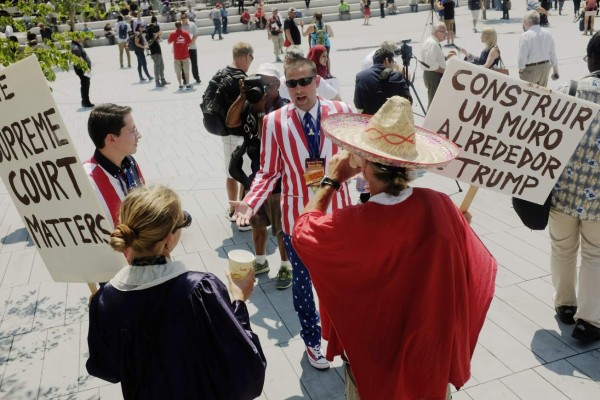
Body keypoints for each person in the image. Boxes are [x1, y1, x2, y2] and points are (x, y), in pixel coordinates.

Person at [292, 96, 497, 400]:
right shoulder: (441, 206)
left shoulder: (349, 224)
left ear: (362, 160)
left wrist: (332, 180)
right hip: (429, 361)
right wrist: (457, 230)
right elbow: (477, 268)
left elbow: (302, 231)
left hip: (372, 359)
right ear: (409, 164)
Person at [86, 186, 267, 399]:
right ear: (168, 241)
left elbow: (107, 369)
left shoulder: (106, 299)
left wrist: (99, 314)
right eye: (182, 222)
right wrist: (238, 301)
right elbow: (245, 371)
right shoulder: (200, 290)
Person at [231, 57, 354, 371]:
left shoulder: (341, 112)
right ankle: (312, 342)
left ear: (316, 81)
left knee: (342, 284)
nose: (298, 89)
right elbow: (269, 172)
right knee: (303, 284)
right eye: (292, 83)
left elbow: (358, 157)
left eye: (304, 81)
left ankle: (345, 339)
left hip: (338, 216)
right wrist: (251, 201)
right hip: (297, 218)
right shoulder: (274, 122)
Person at [550, 33, 600, 344]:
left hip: (563, 193)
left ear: (590, 59)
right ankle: (590, 320)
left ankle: (565, 304)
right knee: (596, 255)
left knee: (562, 249)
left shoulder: (566, 91)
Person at [226, 63, 292, 289]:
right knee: (257, 223)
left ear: (276, 85)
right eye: (258, 83)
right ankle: (261, 261)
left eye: (266, 84)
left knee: (281, 227)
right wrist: (242, 96)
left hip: (278, 180)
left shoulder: (284, 109)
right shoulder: (249, 104)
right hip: (254, 176)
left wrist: (261, 107)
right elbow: (231, 122)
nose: (262, 88)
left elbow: (268, 138)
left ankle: (285, 266)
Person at [212, 42, 255, 228]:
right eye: (251, 59)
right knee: (245, 173)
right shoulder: (241, 78)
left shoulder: (220, 74)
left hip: (224, 133)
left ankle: (231, 209)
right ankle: (241, 213)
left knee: (230, 172)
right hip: (240, 134)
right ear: (246, 56)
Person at [83, 104, 144, 228]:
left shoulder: (129, 162)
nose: (139, 135)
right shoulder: (87, 182)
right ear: (111, 138)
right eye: (132, 131)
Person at [354, 48, 412, 115]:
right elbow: (408, 102)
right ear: (386, 60)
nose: (393, 66)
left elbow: (358, 104)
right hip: (390, 120)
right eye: (393, 62)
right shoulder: (397, 77)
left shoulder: (361, 76)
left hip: (369, 120)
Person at [518, 11, 559, 87]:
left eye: (524, 21)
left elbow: (522, 56)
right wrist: (555, 70)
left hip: (531, 69)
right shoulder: (548, 33)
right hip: (545, 67)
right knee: (541, 94)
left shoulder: (525, 36)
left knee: (528, 94)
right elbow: (552, 53)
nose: (523, 23)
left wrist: (521, 70)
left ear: (528, 22)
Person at [421, 22, 456, 108]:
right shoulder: (432, 43)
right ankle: (430, 121)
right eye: (444, 31)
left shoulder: (432, 41)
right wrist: (446, 71)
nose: (446, 34)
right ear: (437, 32)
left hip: (433, 75)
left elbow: (433, 59)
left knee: (436, 101)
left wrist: (446, 57)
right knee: (433, 103)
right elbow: (431, 65)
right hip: (433, 76)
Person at [71, 36, 94, 109]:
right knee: (85, 85)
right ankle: (85, 102)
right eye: (78, 38)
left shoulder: (77, 45)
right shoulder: (75, 47)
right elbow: (79, 59)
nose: (80, 39)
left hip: (84, 68)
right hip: (82, 69)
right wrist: (86, 68)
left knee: (85, 84)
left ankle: (85, 101)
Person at [168, 21, 192, 90]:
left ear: (175, 26)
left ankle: (180, 84)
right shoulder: (186, 33)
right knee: (186, 71)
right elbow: (189, 43)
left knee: (178, 71)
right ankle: (187, 84)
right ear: (181, 25)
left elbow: (169, 42)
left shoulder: (172, 34)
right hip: (185, 55)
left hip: (177, 56)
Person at [146, 16, 169, 88]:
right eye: (153, 28)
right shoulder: (148, 35)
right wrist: (154, 37)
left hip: (159, 51)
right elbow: (149, 43)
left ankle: (163, 80)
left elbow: (158, 39)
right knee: (157, 67)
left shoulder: (154, 33)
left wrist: (159, 35)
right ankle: (157, 81)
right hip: (154, 53)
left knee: (162, 66)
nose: (154, 29)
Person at [180, 12, 200, 84]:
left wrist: (190, 43)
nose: (183, 19)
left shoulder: (192, 24)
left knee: (194, 63)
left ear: (187, 17)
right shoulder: (179, 26)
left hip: (192, 47)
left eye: (184, 18)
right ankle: (184, 79)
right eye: (181, 18)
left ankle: (197, 77)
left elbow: (196, 34)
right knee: (183, 64)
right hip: (183, 48)